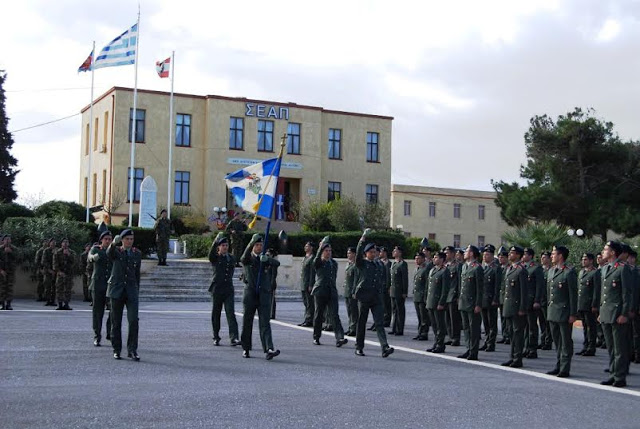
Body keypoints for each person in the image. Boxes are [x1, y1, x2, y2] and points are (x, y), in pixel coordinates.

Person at [353, 229, 394, 358]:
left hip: (376, 297)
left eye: (375, 252)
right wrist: (362, 239)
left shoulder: (379, 265)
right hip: (364, 296)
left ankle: (384, 347)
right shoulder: (362, 263)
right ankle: (359, 347)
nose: (374, 254)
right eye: (371, 252)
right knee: (361, 323)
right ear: (366, 253)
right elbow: (358, 254)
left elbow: (382, 279)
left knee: (379, 323)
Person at [240, 234, 280, 360]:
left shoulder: (265, 258)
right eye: (256, 245)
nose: (259, 247)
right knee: (247, 322)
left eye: (261, 245)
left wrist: (266, 259)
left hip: (263, 294)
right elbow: (243, 258)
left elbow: (277, 263)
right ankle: (246, 348)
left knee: (265, 323)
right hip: (250, 294)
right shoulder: (248, 258)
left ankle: (268, 348)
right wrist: (250, 243)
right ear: (252, 246)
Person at [599, 241, 633, 387]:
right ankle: (613, 373)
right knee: (611, 347)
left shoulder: (623, 269)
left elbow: (627, 294)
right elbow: (604, 294)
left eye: (606, 249)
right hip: (606, 313)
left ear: (613, 252)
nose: (603, 251)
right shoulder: (605, 268)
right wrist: (601, 311)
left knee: (619, 348)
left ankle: (619, 377)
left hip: (617, 313)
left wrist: (624, 313)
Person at [107, 229, 142, 361]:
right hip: (117, 290)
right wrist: (113, 244)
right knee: (116, 321)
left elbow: (137, 273)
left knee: (133, 320)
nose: (129, 241)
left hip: (131, 290)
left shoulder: (136, 253)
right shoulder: (116, 251)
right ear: (122, 240)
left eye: (131, 239)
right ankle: (116, 349)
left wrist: (136, 289)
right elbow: (108, 253)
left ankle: (132, 349)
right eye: (127, 239)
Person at [545, 245, 578, 378]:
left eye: (554, 254)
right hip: (553, 311)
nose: (551, 256)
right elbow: (549, 293)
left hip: (564, 312)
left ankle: (565, 367)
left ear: (560, 256)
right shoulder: (551, 271)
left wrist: (573, 313)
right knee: (557, 341)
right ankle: (558, 364)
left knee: (565, 341)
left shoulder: (569, 272)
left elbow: (573, 295)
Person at [311, 236, 348, 347]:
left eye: (330, 251)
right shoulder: (319, 262)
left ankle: (339, 337)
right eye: (326, 251)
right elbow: (315, 261)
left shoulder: (334, 263)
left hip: (331, 291)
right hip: (320, 291)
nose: (328, 253)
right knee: (318, 315)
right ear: (322, 252)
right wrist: (320, 248)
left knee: (334, 315)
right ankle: (316, 337)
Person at [208, 233, 241, 347]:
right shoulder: (215, 258)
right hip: (217, 289)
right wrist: (215, 241)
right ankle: (216, 336)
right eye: (223, 245)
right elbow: (211, 254)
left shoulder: (231, 258)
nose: (225, 247)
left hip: (228, 289)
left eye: (226, 245)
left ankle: (234, 337)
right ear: (219, 247)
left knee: (230, 313)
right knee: (216, 314)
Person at [501, 246, 528, 368]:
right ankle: (512, 356)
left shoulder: (521, 270)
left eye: (512, 253)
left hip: (517, 307)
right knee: (511, 333)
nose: (510, 255)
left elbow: (524, 292)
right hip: (509, 306)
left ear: (518, 255)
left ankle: (518, 358)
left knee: (517, 333)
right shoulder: (510, 268)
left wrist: (522, 308)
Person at [458, 245, 484, 360]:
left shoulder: (477, 268)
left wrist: (478, 304)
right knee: (466, 328)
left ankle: (474, 351)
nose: (464, 253)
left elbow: (480, 288)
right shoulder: (464, 267)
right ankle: (468, 348)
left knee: (473, 329)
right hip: (464, 302)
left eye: (466, 251)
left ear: (472, 254)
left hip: (472, 303)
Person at [88, 232, 113, 346]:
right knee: (98, 312)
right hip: (98, 284)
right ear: (101, 240)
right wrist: (93, 257)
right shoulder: (96, 249)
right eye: (106, 239)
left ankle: (110, 333)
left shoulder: (113, 250)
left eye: (109, 239)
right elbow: (90, 257)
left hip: (110, 285)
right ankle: (97, 335)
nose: (108, 241)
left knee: (113, 311)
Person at [576, 253, 601, 357]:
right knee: (585, 327)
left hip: (590, 304)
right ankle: (585, 345)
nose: (583, 261)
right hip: (582, 303)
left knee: (591, 327)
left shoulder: (595, 273)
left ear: (591, 261)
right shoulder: (581, 272)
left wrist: (595, 304)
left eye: (585, 259)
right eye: (582, 259)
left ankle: (591, 347)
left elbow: (596, 290)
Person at [425, 251, 450, 353]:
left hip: (438, 302)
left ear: (442, 259)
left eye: (436, 257)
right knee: (434, 325)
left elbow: (445, 289)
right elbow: (429, 287)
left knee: (440, 325)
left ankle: (440, 344)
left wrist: (441, 302)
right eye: (434, 257)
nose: (434, 259)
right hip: (431, 301)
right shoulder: (432, 270)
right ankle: (436, 342)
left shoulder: (444, 271)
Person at [522, 248, 545, 359]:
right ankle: (526, 347)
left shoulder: (536, 268)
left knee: (532, 327)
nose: (523, 256)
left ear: (530, 256)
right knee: (525, 326)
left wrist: (537, 300)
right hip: (524, 302)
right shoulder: (522, 267)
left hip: (532, 301)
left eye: (525, 254)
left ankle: (532, 349)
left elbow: (539, 286)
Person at [480, 244, 501, 352]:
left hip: (491, 299)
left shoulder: (496, 269)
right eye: (484, 255)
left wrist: (495, 299)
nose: (485, 257)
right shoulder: (483, 267)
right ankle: (486, 341)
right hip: (483, 299)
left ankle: (491, 343)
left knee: (492, 323)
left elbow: (497, 286)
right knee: (486, 323)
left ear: (492, 256)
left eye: (487, 255)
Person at [443, 246, 461, 346]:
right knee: (447, 318)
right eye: (445, 253)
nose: (446, 255)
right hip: (446, 295)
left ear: (453, 254)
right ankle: (450, 336)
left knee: (454, 318)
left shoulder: (457, 265)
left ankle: (456, 338)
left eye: (447, 253)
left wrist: (458, 295)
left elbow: (459, 281)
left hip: (453, 295)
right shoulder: (445, 265)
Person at [389, 246, 408, 336]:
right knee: (394, 310)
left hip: (399, 290)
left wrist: (404, 291)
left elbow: (404, 279)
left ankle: (399, 329)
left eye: (395, 251)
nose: (393, 252)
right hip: (393, 290)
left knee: (400, 310)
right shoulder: (394, 263)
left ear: (400, 253)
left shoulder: (403, 264)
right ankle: (394, 328)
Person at [53, 238, 76, 310]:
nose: (65, 244)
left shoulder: (72, 252)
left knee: (68, 289)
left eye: (67, 242)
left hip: (69, 274)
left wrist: (69, 255)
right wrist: (59, 271)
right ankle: (60, 304)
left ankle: (66, 304)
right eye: (64, 242)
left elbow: (75, 262)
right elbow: (54, 263)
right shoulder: (57, 252)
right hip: (60, 273)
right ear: (61, 244)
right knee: (59, 289)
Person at [412, 252, 431, 341]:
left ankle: (424, 333)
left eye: (418, 258)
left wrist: (426, 295)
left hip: (422, 295)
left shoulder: (426, 269)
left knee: (424, 317)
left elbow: (427, 284)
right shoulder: (417, 269)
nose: (416, 260)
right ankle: (420, 332)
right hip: (416, 296)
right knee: (419, 316)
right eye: (416, 259)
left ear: (423, 259)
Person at [538, 251, 553, 350]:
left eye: (544, 257)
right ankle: (543, 340)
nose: (542, 259)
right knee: (542, 322)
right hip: (540, 300)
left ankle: (548, 342)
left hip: (547, 300)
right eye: (542, 257)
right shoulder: (540, 271)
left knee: (548, 323)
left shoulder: (551, 271)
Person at [298, 242, 315, 327]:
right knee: (306, 302)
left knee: (309, 303)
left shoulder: (312, 258)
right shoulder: (305, 257)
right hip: (303, 283)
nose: (305, 247)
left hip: (308, 283)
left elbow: (312, 272)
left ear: (311, 248)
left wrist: (311, 284)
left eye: (307, 246)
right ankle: (307, 318)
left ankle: (310, 319)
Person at [0, 235, 20, 310]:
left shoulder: (14, 249)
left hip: (11, 271)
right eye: (6, 239)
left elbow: (19, 258)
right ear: (3, 241)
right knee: (2, 288)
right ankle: (2, 304)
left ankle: (9, 304)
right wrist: (1, 270)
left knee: (9, 288)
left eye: (9, 239)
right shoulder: (0, 249)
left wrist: (11, 252)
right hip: (2, 271)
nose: (7, 241)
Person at [496, 246, 511, 344]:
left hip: (507, 296)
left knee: (507, 318)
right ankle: (505, 335)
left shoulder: (509, 268)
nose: (500, 259)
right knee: (502, 317)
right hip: (500, 296)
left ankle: (508, 335)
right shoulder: (499, 268)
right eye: (499, 257)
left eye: (502, 257)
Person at [343, 247, 358, 336]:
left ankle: (354, 328)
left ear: (354, 254)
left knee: (353, 311)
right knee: (349, 311)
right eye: (348, 253)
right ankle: (350, 327)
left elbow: (356, 279)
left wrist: (354, 291)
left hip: (352, 291)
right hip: (347, 290)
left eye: (350, 253)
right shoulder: (348, 264)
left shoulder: (356, 265)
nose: (348, 255)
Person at [41, 238, 57, 306]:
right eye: (52, 242)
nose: (53, 243)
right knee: (47, 286)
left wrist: (55, 269)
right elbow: (43, 261)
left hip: (55, 272)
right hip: (48, 271)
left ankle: (53, 300)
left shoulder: (57, 250)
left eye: (54, 242)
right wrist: (49, 269)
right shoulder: (46, 251)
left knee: (54, 287)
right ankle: (48, 300)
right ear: (49, 243)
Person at [267, 248, 279, 320]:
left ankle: (272, 314)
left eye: (268, 254)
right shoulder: (268, 262)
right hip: (266, 282)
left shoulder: (273, 263)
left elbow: (273, 275)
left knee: (271, 299)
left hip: (271, 283)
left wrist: (271, 283)